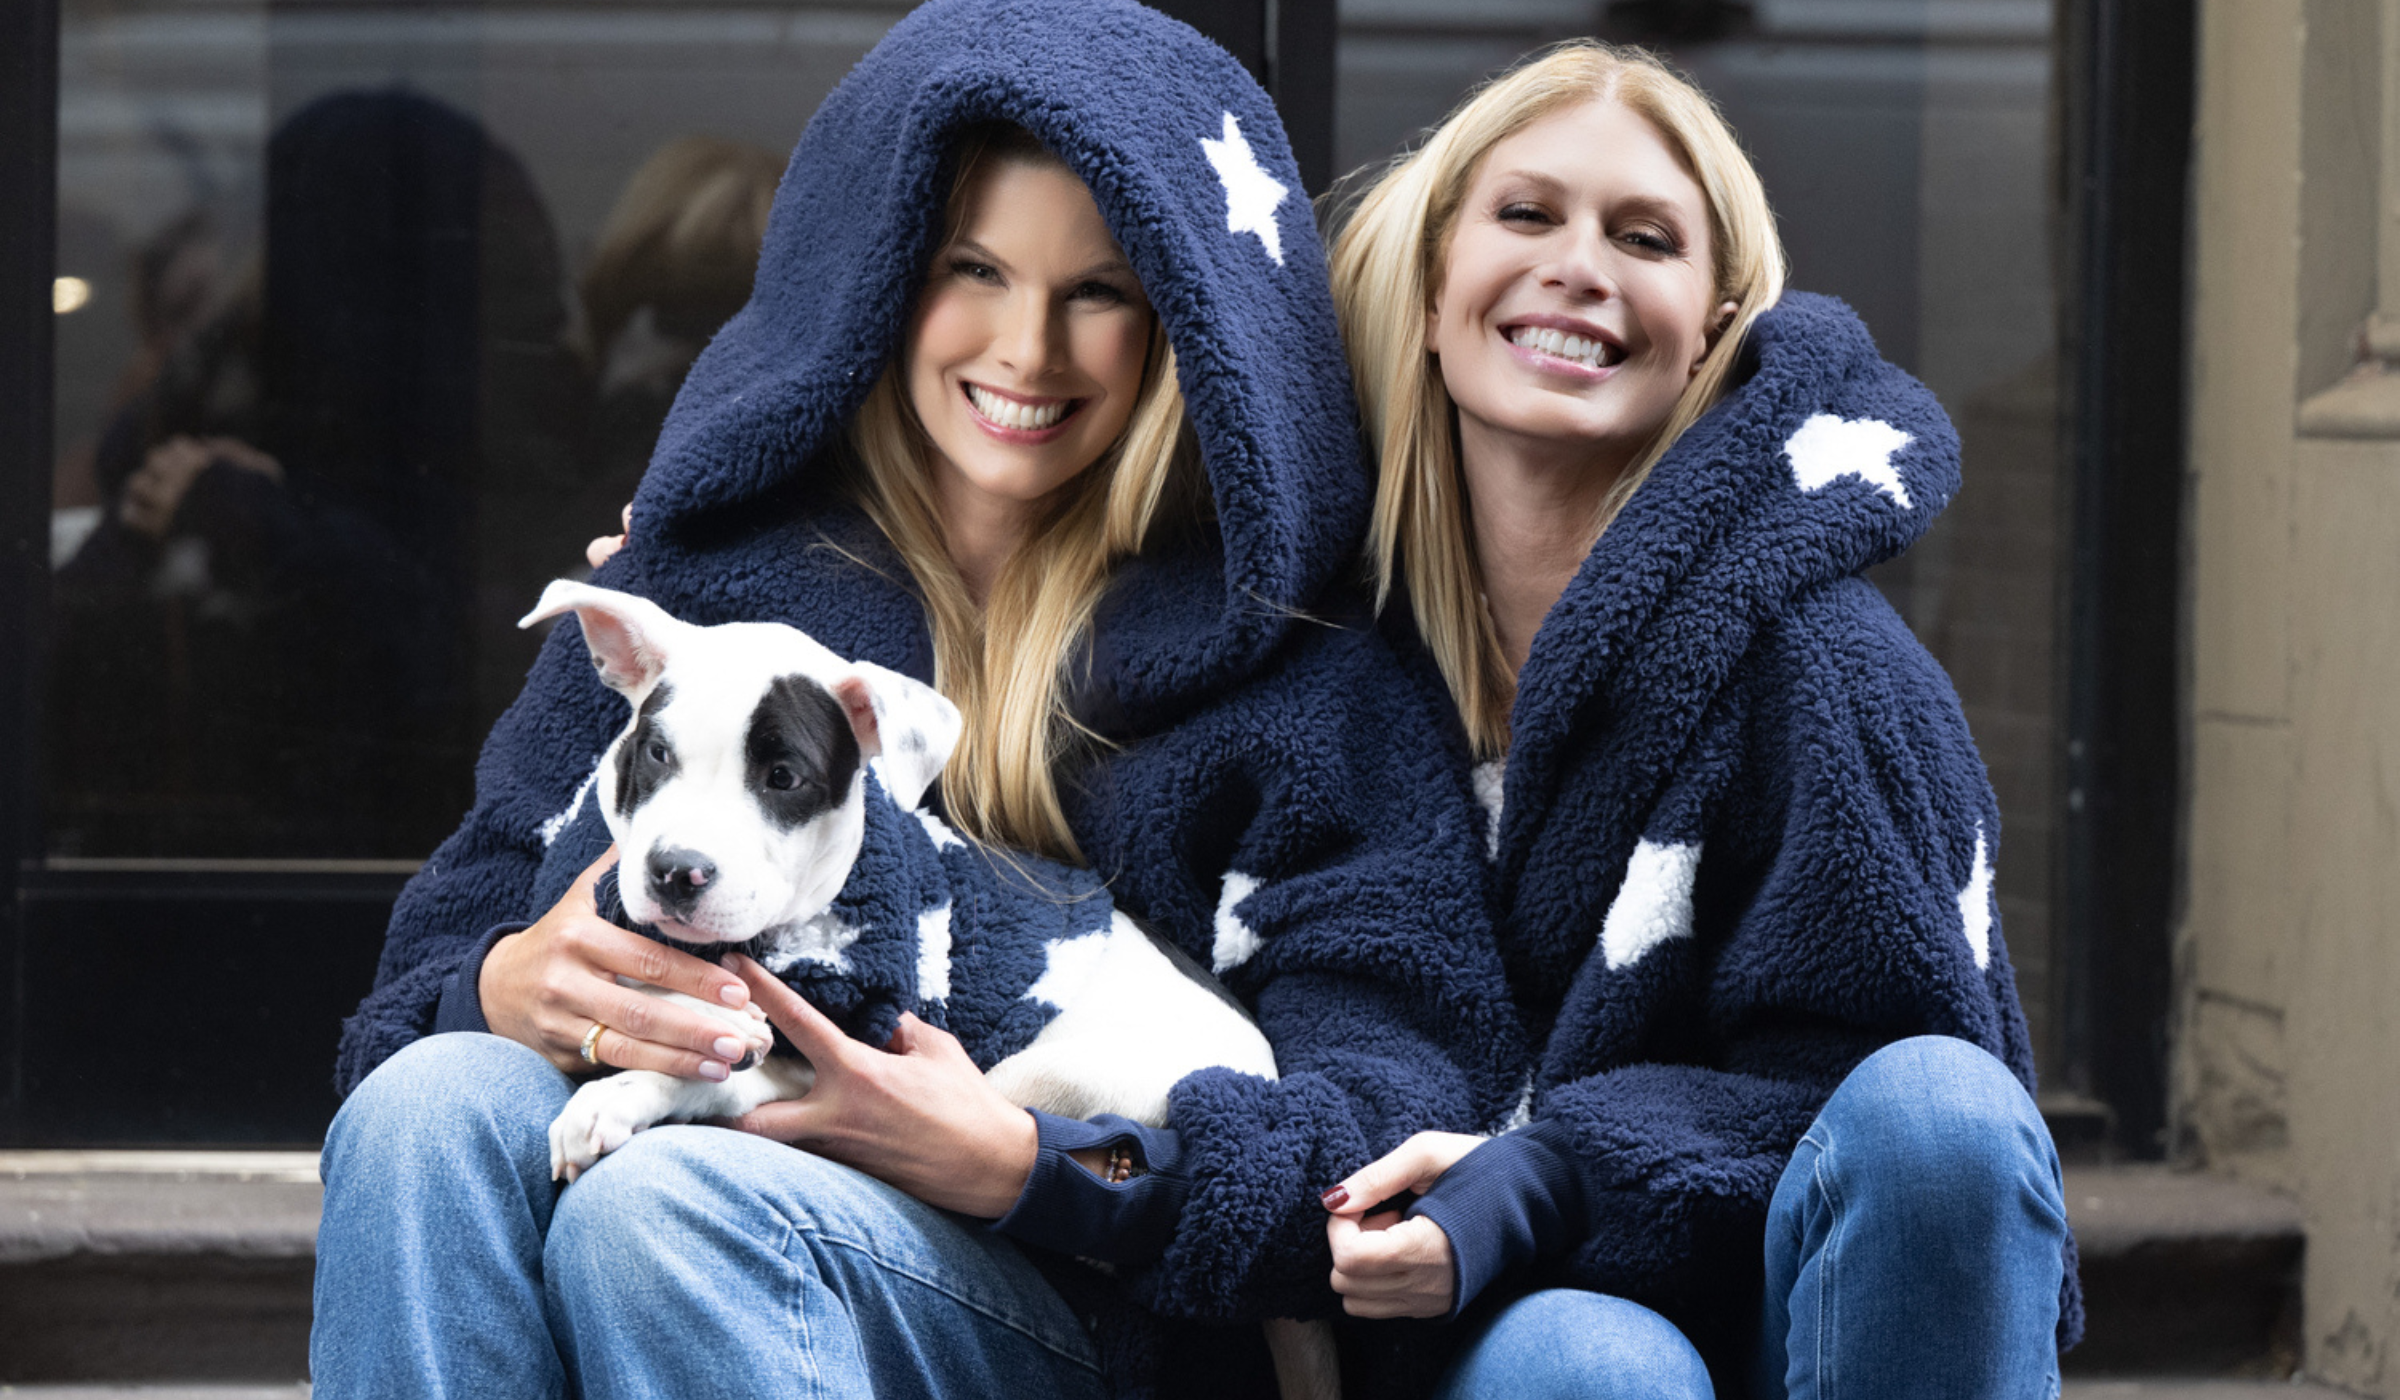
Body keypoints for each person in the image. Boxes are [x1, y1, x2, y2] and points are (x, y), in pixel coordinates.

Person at [314, 3, 1519, 1396]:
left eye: (1101, 289)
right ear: (879, 272)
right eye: (975, 268)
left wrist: (1037, 1163)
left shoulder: (1299, 670)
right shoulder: (695, 589)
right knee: (425, 1106)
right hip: (702, 1199)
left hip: (1094, 1312)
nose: (1028, 347)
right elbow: (413, 984)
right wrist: (500, 984)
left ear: (1186, 317)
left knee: (672, 1207)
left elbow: (1401, 1101)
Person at [1314, 42, 2080, 1398]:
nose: (1581, 266)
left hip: (1807, 1315)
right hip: (1496, 1331)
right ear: (1432, 292)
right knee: (1588, 1366)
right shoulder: (1319, 671)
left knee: (1943, 1117)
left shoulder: (1825, 668)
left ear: (1713, 332)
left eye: (1646, 237)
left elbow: (1884, 1122)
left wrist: (1547, 1169)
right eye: (1528, 214)